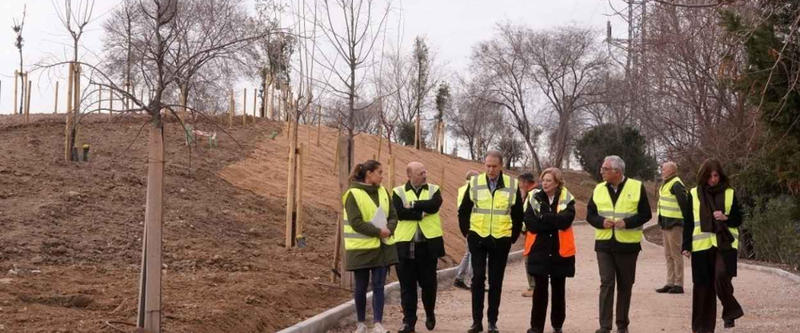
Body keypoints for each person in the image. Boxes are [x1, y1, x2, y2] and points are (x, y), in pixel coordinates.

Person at [458, 150, 524, 333]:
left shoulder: (512, 184)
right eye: (487, 166)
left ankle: (492, 321)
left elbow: (518, 213)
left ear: (501, 166)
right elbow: (464, 210)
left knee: (496, 282)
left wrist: (513, 236)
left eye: (494, 166)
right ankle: (476, 322)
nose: (491, 169)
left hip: (501, 239)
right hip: (478, 238)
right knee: (477, 278)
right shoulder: (475, 182)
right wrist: (467, 232)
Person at [586, 155, 652, 333]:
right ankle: (604, 326)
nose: (601, 171)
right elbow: (590, 214)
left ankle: (622, 325)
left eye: (605, 169)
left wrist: (627, 223)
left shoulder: (637, 187)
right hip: (604, 245)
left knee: (625, 285)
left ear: (617, 171)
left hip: (627, 246)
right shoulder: (599, 188)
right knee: (606, 283)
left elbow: (646, 214)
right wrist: (601, 222)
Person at [684, 159, 744, 333]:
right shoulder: (694, 193)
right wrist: (686, 245)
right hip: (701, 246)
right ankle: (702, 329)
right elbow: (688, 221)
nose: (713, 179)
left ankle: (731, 310)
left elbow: (739, 218)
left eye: (716, 175)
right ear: (703, 176)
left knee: (721, 276)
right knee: (703, 288)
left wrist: (726, 217)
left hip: (725, 244)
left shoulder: (730, 192)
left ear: (720, 175)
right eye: (709, 176)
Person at [342, 160, 398, 333]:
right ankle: (360, 323)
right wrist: (377, 232)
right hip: (361, 248)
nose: (382, 176)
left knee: (379, 285)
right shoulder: (353, 194)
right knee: (361, 286)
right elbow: (355, 222)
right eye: (380, 172)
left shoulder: (383, 191)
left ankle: (378, 324)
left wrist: (390, 228)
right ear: (369, 174)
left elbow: (393, 214)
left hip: (382, 247)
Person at [393, 162, 444, 333]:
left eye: (425, 171)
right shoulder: (398, 192)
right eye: (420, 173)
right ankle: (409, 322)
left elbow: (434, 205)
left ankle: (430, 313)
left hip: (427, 246)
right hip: (405, 246)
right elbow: (399, 212)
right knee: (407, 287)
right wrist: (422, 213)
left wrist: (413, 205)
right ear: (409, 176)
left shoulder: (434, 190)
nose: (425, 175)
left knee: (429, 285)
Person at [524, 168, 576, 333]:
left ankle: (557, 325)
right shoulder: (534, 197)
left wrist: (544, 217)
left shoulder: (567, 198)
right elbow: (531, 223)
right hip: (539, 249)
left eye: (549, 180)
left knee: (558, 290)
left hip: (560, 251)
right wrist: (552, 221)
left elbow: (566, 221)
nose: (545, 183)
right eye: (544, 180)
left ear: (557, 183)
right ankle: (536, 327)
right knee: (539, 291)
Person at [655, 161, 692, 294]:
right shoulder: (667, 183)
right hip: (665, 224)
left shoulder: (676, 184)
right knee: (668, 255)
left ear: (671, 170)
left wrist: (687, 223)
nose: (662, 170)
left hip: (674, 224)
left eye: (664, 169)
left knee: (676, 255)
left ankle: (678, 284)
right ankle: (670, 282)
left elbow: (685, 205)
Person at [454, 170, 480, 290]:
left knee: (468, 252)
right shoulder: (472, 189)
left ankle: (459, 277)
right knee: (473, 253)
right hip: (473, 224)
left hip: (467, 224)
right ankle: (471, 280)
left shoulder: (462, 189)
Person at [518, 172, 539, 298]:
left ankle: (534, 287)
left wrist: (523, 228)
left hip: (533, 233)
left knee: (529, 260)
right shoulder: (533, 193)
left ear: (526, 182)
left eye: (521, 183)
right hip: (532, 232)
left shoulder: (533, 194)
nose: (520, 186)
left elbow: (530, 214)